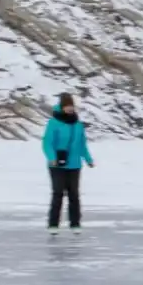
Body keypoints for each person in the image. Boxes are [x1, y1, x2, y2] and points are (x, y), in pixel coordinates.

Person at [41, 92, 94, 233]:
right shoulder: (53, 123)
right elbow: (47, 143)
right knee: (58, 193)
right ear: (62, 107)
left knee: (74, 195)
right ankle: (53, 224)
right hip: (57, 164)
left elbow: (82, 144)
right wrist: (52, 157)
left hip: (74, 164)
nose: (70, 109)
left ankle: (75, 223)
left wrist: (88, 159)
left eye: (71, 106)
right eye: (67, 106)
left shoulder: (78, 124)